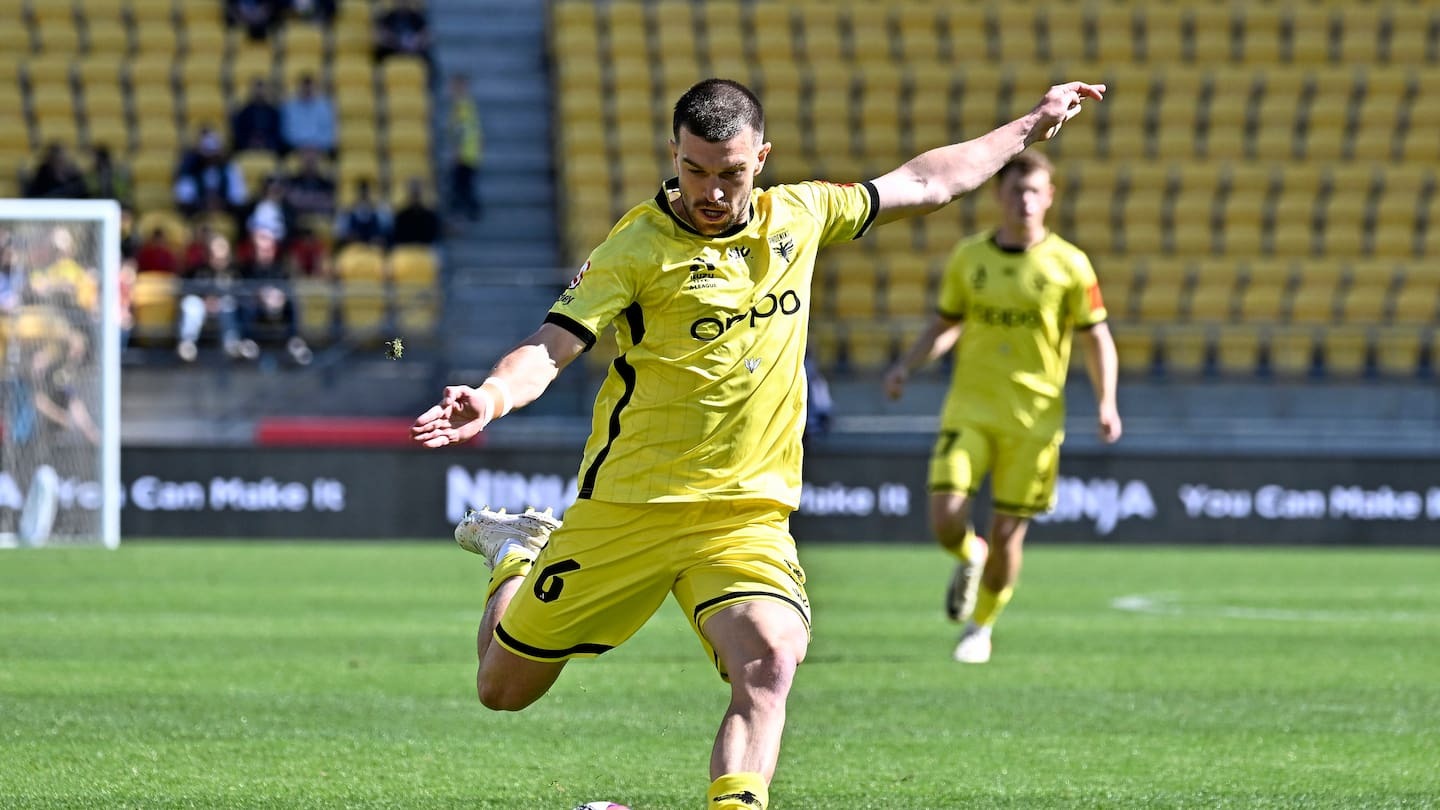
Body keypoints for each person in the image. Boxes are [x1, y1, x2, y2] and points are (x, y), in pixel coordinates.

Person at [411, 77, 1103, 809]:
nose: (712, 191)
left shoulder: (799, 214)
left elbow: (928, 181)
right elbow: (553, 347)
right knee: (502, 690)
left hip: (744, 517)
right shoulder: (635, 246)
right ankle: (517, 551)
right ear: (674, 156)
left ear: (761, 159)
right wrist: (489, 396)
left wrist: (1029, 124)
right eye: (695, 170)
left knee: (771, 661)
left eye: (731, 173)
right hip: (630, 507)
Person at [882, 150, 1123, 665]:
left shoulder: (1071, 264)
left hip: (1034, 422)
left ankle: (980, 627)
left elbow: (1096, 338)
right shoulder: (970, 258)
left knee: (1009, 531)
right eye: (1016, 191)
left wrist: (1107, 403)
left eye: (1035, 191)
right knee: (946, 518)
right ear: (998, 195)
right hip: (969, 410)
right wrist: (909, 365)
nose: (1025, 201)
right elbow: (946, 324)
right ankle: (970, 555)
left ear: (1050, 197)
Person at [445, 74, 483, 221]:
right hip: (470, 153)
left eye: (453, 86)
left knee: (461, 186)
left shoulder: (462, 106)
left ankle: (466, 214)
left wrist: (457, 152)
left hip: (465, 154)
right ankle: (467, 212)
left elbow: (461, 131)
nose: (450, 89)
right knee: (464, 185)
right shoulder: (468, 105)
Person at [280, 74, 337, 156]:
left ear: (315, 88)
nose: (307, 91)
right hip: (295, 149)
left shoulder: (325, 107)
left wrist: (315, 146)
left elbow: (329, 132)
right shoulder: (289, 106)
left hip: (320, 150)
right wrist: (302, 145)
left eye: (310, 88)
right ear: (299, 88)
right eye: (305, 88)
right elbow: (286, 132)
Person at [230, 78, 285, 154]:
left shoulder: (273, 113)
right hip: (247, 148)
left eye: (262, 89)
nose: (259, 92)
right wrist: (250, 142)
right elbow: (239, 134)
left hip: (269, 149)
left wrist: (266, 142)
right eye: (256, 89)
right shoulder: (244, 112)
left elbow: (278, 134)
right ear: (251, 91)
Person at [391, 177, 441, 245]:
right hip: (406, 250)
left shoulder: (430, 216)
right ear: (409, 195)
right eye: (413, 194)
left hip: (425, 249)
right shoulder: (401, 216)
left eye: (417, 194)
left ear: (421, 195)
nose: (415, 197)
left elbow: (432, 237)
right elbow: (398, 237)